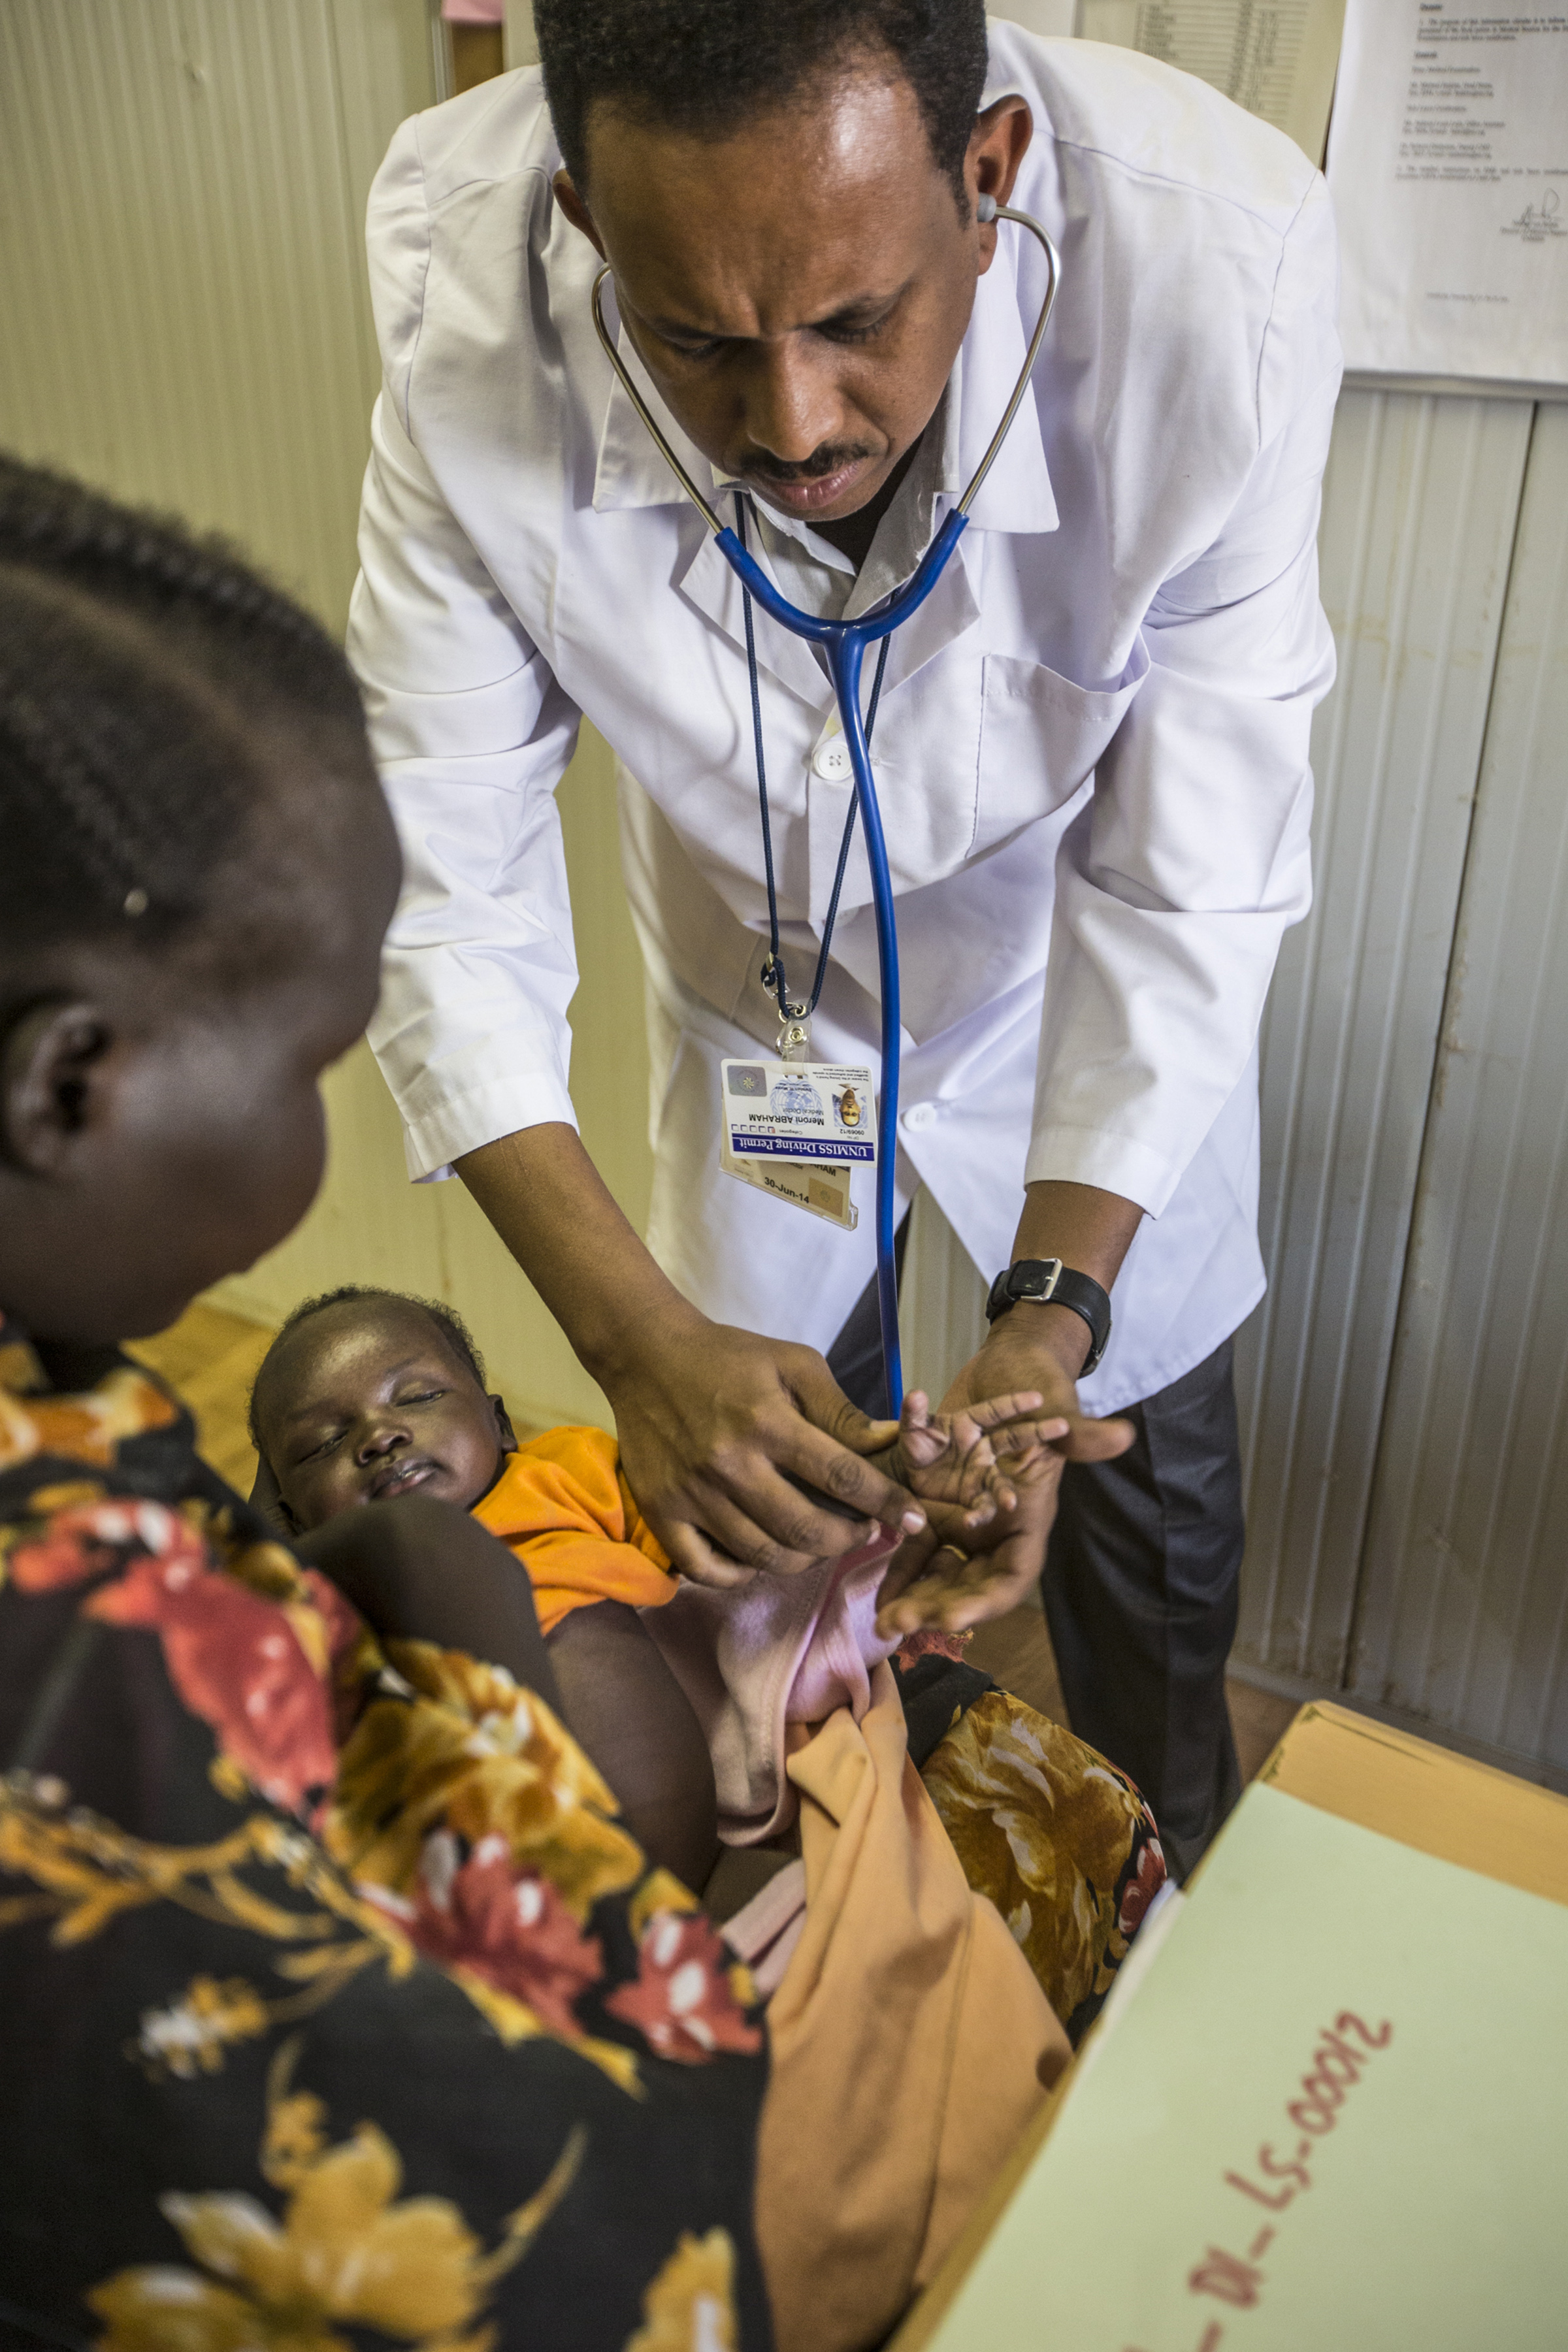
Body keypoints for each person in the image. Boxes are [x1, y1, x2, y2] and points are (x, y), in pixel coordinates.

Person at [0, 455, 1161, 2351]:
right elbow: (593, 2216)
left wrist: (856, 1546)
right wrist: (458, 1635)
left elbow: (770, 1629)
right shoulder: (89, 1674)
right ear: (68, 1091)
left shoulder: (102, 1445)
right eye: (309, 1063)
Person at [348, 0, 1341, 1876]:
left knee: (1145, 1523)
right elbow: (437, 860)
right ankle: (851, 1891)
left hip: (1088, 987)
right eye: (697, 339)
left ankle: (1167, 1918)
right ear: (579, 218)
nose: (790, 423)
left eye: (858, 322)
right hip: (764, 989)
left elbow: (1192, 872)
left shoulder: (1222, 267)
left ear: (991, 184)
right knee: (768, 1552)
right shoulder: (458, 288)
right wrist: (636, 1342)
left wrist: (1052, 1327)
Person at [246, 1281, 1068, 1889]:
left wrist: (886, 1470)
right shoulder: (325, 1586)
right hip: (503, 1856)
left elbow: (734, 1521)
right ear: (285, 1510)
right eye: (323, 1444)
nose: (380, 1436)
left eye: (417, 1397)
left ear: (498, 1423)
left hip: (691, 1823)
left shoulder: (565, 1473)